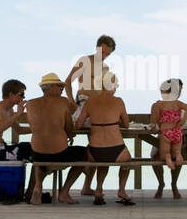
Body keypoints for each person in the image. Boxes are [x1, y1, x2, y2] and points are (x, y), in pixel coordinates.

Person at [24, 72, 88, 205]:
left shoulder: (30, 104)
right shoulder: (63, 102)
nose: (62, 90)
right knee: (86, 154)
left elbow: (35, 126)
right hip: (59, 154)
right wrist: (70, 135)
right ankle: (64, 192)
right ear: (53, 86)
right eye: (61, 87)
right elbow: (69, 129)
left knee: (41, 158)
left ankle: (38, 186)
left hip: (37, 154)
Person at [81, 71, 135, 205]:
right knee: (127, 162)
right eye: (116, 85)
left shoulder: (90, 101)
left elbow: (78, 124)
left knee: (102, 162)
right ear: (112, 86)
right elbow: (127, 125)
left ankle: (99, 190)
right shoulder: (118, 101)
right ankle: (121, 190)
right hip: (116, 148)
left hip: (95, 150)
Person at [65, 34, 116, 127]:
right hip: (84, 102)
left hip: (99, 104)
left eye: (107, 54)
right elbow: (68, 81)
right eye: (102, 52)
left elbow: (105, 91)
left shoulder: (105, 68)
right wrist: (71, 102)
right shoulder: (85, 61)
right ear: (97, 48)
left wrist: (112, 90)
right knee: (97, 124)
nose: (104, 56)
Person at [150, 78, 187, 196]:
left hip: (165, 133)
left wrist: (156, 109)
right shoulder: (178, 104)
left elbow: (153, 123)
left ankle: (173, 183)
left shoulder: (159, 105)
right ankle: (162, 183)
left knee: (165, 154)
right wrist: (181, 122)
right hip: (177, 132)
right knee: (173, 153)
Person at [0, 79, 30, 161]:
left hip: (2, 147)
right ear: (11, 95)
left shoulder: (10, 110)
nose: (24, 97)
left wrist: (39, 129)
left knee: (34, 148)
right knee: (30, 150)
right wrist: (18, 114)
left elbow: (19, 130)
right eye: (21, 94)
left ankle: (37, 173)